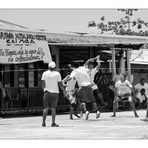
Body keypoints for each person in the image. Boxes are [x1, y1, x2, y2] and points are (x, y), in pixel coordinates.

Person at [41, 61, 64, 127]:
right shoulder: (57, 74)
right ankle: (53, 123)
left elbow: (42, 83)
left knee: (46, 108)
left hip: (47, 92)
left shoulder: (44, 73)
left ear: (48, 67)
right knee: (53, 109)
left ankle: (43, 122)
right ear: (54, 67)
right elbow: (60, 84)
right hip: (55, 93)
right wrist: (64, 91)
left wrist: (44, 90)